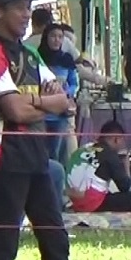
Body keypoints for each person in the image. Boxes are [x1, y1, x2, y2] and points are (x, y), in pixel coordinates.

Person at [0, 0, 107, 260]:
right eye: (18, 7)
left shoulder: (31, 55)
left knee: (55, 238)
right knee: (1, 243)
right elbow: (12, 108)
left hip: (37, 158)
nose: (26, 14)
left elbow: (65, 98)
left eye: (27, 6)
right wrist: (43, 102)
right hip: (3, 160)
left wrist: (39, 102)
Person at [65, 120, 131, 213]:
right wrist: (126, 165)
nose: (122, 145)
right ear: (116, 139)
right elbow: (126, 187)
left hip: (73, 201)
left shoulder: (82, 149)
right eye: (122, 140)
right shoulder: (110, 154)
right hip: (93, 204)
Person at [36, 24, 78, 165]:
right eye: (53, 36)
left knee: (56, 152)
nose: (56, 40)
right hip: (40, 113)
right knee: (40, 152)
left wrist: (65, 93)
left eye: (60, 37)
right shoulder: (36, 58)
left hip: (60, 115)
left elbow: (74, 83)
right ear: (46, 37)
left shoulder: (66, 59)